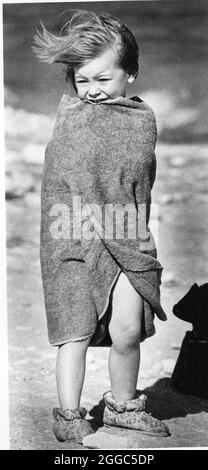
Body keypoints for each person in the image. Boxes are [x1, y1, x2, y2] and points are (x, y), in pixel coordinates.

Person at [33, 10, 170, 443]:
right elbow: (64, 177)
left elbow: (137, 181)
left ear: (131, 74)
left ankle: (124, 406)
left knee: (127, 328)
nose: (91, 91)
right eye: (82, 79)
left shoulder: (141, 120)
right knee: (73, 330)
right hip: (71, 233)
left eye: (103, 79)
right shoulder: (72, 119)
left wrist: (130, 228)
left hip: (126, 231)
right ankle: (69, 414)